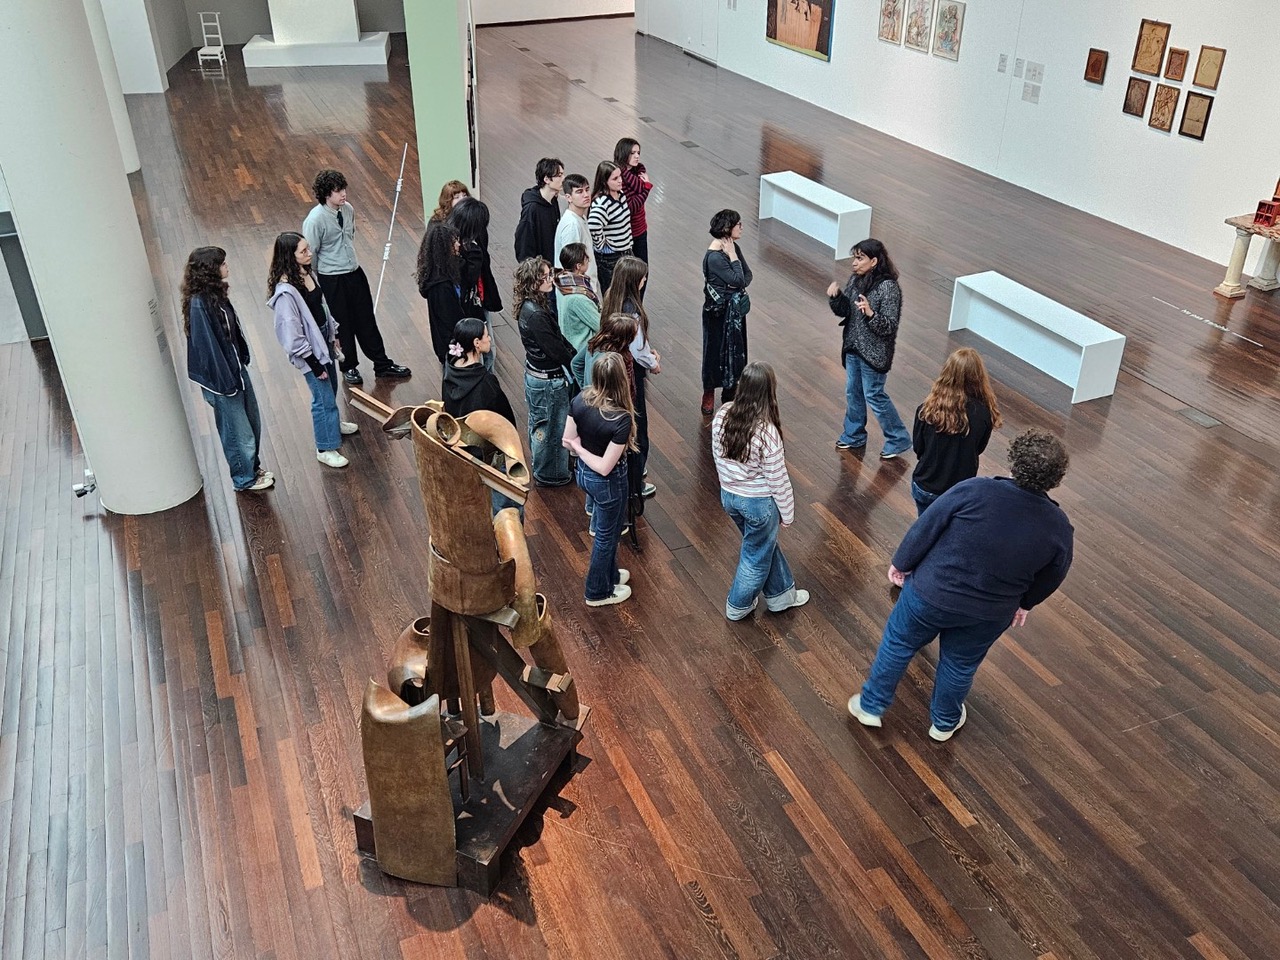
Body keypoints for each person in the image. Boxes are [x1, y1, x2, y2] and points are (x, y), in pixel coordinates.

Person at [848, 429, 1074, 742]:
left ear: (1014, 460)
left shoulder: (974, 490)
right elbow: (1054, 574)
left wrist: (901, 563)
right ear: (1057, 478)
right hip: (990, 612)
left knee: (899, 644)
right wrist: (1025, 603)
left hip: (930, 594)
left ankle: (870, 706)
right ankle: (944, 722)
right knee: (960, 664)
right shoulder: (1059, 526)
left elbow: (926, 528)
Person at [711, 361, 809, 621]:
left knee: (762, 545)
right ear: (769, 391)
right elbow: (778, 480)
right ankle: (738, 605)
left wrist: (727, 485)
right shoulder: (767, 432)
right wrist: (787, 514)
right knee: (755, 556)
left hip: (729, 497)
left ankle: (781, 596)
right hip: (758, 504)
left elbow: (717, 456)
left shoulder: (722, 414)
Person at [301, 169, 411, 386]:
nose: (343, 194)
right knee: (342, 324)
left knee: (366, 319)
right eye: (338, 191)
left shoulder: (348, 209)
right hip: (332, 279)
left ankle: (382, 364)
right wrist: (318, 281)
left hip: (354, 272)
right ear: (326, 194)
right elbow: (311, 254)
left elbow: (349, 236)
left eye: (343, 189)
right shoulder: (315, 220)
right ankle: (349, 366)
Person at [182, 246, 273, 492]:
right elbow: (208, 348)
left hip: (234, 370)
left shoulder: (215, 295)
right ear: (210, 270)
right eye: (222, 263)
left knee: (252, 422)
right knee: (237, 432)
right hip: (223, 380)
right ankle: (244, 478)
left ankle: (251, 468)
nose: (227, 266)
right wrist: (226, 384)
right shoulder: (200, 304)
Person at [267, 232, 359, 470]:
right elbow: (292, 335)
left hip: (323, 340)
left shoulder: (307, 273)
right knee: (323, 398)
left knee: (332, 388)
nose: (310, 253)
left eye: (308, 248)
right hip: (310, 351)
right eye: (303, 251)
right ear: (290, 256)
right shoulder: (285, 293)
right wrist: (315, 365)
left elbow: (322, 306)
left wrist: (333, 334)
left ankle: (333, 424)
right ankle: (325, 447)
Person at [563, 351, 636, 607]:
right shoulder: (621, 419)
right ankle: (597, 591)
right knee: (606, 536)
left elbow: (567, 441)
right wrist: (582, 449)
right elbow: (605, 467)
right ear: (622, 379)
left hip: (583, 475)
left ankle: (610, 576)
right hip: (608, 482)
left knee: (611, 530)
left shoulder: (580, 399)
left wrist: (579, 449)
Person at [826, 238, 909, 459]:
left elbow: (889, 326)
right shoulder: (856, 279)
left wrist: (871, 314)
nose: (854, 263)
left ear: (874, 261)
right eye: (854, 257)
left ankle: (898, 438)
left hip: (874, 354)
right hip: (853, 347)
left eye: (860, 258)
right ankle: (854, 435)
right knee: (853, 392)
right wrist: (836, 298)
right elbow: (846, 311)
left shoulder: (889, 288)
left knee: (874, 395)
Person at [911, 348, 1002, 515]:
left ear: (946, 373)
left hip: (926, 484)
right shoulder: (983, 414)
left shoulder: (926, 410)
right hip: (959, 490)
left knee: (925, 526)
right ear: (978, 376)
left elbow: (918, 448)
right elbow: (979, 448)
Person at [599, 256, 658, 498]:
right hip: (630, 375)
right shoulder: (632, 312)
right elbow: (638, 350)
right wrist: (653, 362)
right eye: (642, 278)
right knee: (637, 428)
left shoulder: (611, 297)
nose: (645, 281)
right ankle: (635, 483)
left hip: (614, 371)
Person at [514, 257, 575, 486]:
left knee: (541, 424)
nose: (551, 279)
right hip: (548, 381)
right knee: (552, 428)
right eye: (545, 277)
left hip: (537, 375)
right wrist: (575, 363)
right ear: (533, 282)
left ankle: (544, 468)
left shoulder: (530, 306)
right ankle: (552, 474)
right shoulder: (536, 314)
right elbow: (555, 348)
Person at [701, 209, 753, 415]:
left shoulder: (734, 247)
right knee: (714, 352)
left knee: (735, 349)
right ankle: (709, 391)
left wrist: (734, 260)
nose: (741, 227)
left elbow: (747, 275)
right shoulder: (716, 256)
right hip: (717, 312)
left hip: (734, 311)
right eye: (738, 224)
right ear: (726, 228)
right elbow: (739, 279)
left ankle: (730, 389)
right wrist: (732, 257)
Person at [448, 196, 502, 373]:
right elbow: (468, 278)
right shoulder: (465, 250)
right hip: (468, 306)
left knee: (486, 351)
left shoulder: (460, 242)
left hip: (477, 300)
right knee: (482, 353)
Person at [442, 317, 515, 424]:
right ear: (477, 342)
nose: (489, 338)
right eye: (487, 335)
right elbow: (504, 418)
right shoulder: (486, 382)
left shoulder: (449, 369)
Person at [415, 222, 464, 366]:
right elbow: (449, 321)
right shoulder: (440, 287)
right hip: (453, 348)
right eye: (454, 242)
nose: (458, 245)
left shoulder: (445, 272)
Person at [554, 242, 601, 386]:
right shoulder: (578, 297)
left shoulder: (562, 283)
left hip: (569, 341)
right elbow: (600, 325)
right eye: (586, 258)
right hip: (582, 350)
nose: (589, 260)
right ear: (578, 266)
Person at [587, 161, 633, 294]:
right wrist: (602, 245)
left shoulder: (621, 195)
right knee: (613, 295)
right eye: (615, 178)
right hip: (611, 258)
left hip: (626, 251)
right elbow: (593, 225)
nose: (620, 181)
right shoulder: (602, 203)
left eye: (620, 176)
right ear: (604, 181)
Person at [514, 157, 563, 263]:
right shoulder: (532, 209)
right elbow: (523, 243)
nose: (563, 179)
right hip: (539, 268)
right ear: (547, 179)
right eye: (559, 175)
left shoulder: (553, 201)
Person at [554, 173, 597, 291]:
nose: (586, 195)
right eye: (579, 192)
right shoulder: (572, 225)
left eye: (587, 189)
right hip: (578, 291)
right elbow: (571, 267)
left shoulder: (580, 217)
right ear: (568, 197)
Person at [614, 138, 653, 265]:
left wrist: (643, 188)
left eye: (638, 153)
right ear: (623, 153)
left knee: (643, 268)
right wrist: (646, 188)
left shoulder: (639, 172)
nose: (637, 156)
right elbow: (631, 207)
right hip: (626, 232)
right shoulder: (619, 178)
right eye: (632, 153)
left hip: (640, 228)